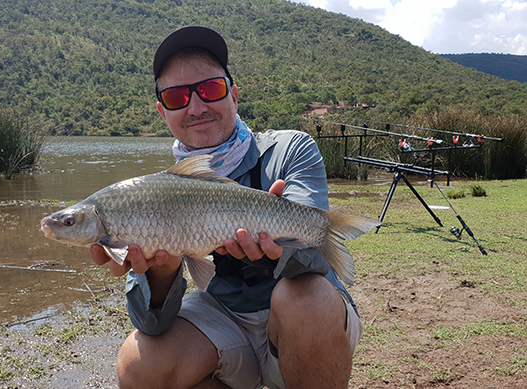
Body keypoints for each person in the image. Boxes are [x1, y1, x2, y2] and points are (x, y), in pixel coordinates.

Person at [90, 26, 363, 389]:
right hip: (227, 320)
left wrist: (274, 252)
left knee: (308, 298)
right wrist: (164, 269)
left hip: (305, 321)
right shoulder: (156, 191)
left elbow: (317, 260)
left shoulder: (291, 149)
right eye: (176, 97)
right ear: (162, 113)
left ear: (233, 95)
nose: (197, 107)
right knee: (139, 365)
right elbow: (151, 323)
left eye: (210, 90)